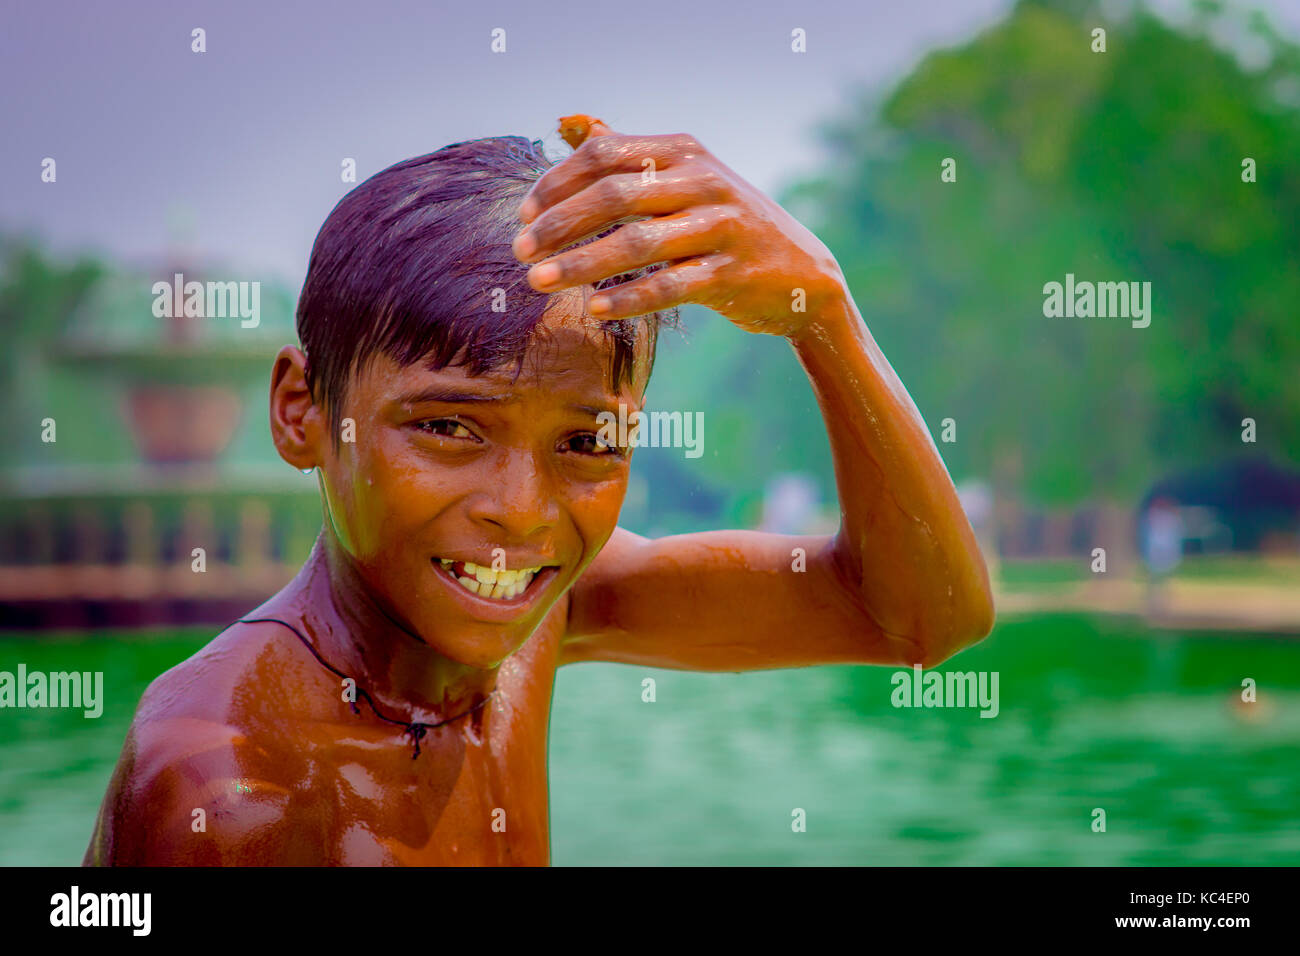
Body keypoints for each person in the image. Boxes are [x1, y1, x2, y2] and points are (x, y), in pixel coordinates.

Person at [85, 118, 994, 865]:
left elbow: (919, 617)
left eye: (586, 441)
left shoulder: (541, 610)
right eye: (448, 427)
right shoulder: (223, 785)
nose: (520, 511)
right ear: (301, 411)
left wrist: (824, 315)